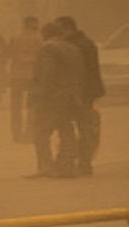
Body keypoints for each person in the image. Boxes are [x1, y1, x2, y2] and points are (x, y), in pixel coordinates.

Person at [27, 22, 82, 179]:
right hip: (70, 97)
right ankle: (67, 166)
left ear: (45, 33)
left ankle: (46, 167)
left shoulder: (48, 48)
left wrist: (38, 96)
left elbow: (47, 75)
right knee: (66, 131)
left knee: (41, 133)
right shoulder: (73, 48)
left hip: (52, 98)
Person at [56, 16, 105, 175]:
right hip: (87, 92)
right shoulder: (87, 42)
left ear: (66, 28)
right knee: (84, 127)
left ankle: (76, 161)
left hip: (79, 92)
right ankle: (83, 162)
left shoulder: (74, 45)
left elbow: (81, 72)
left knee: (75, 127)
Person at [7, 17, 42, 142]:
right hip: (33, 77)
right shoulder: (40, 40)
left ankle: (16, 133)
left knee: (15, 106)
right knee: (32, 106)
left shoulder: (15, 38)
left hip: (16, 76)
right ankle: (29, 132)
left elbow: (9, 54)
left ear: (24, 25)